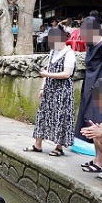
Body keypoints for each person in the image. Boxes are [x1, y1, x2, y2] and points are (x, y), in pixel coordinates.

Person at [74, 17, 102, 174]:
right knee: (91, 123)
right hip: (90, 89)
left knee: (98, 125)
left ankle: (101, 162)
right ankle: (96, 159)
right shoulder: (91, 45)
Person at [25, 27, 76, 156]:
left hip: (63, 91)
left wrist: (48, 74)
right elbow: (47, 71)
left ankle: (59, 147)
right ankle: (37, 144)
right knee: (42, 114)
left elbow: (66, 74)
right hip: (50, 88)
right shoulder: (53, 52)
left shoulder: (69, 53)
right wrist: (42, 87)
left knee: (61, 117)